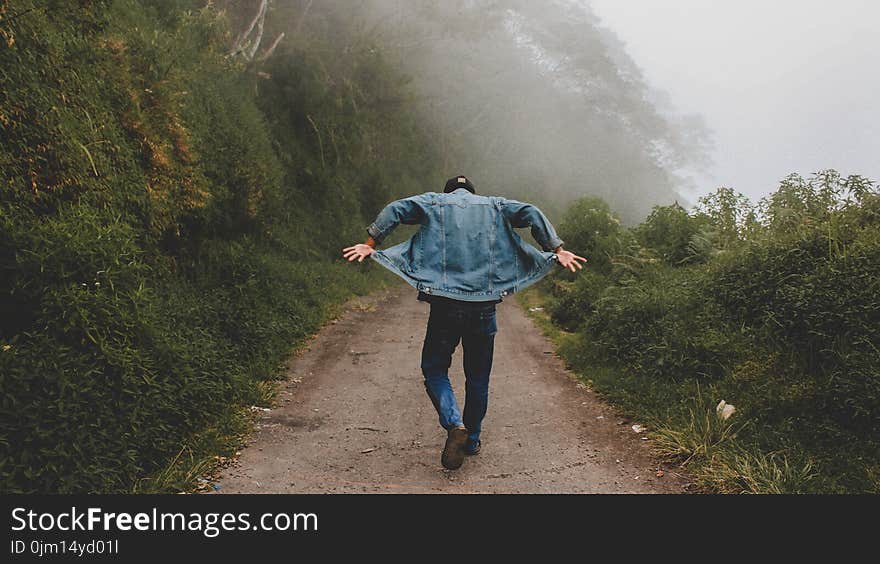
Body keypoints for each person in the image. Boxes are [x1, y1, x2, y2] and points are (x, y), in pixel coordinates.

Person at [342, 175, 587, 470]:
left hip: (444, 305)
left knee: (434, 369)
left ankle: (454, 422)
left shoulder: (434, 202)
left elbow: (396, 209)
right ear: (473, 192)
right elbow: (531, 212)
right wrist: (557, 249)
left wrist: (371, 243)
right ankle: (471, 440)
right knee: (478, 378)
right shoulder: (495, 206)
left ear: (449, 192)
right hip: (483, 307)